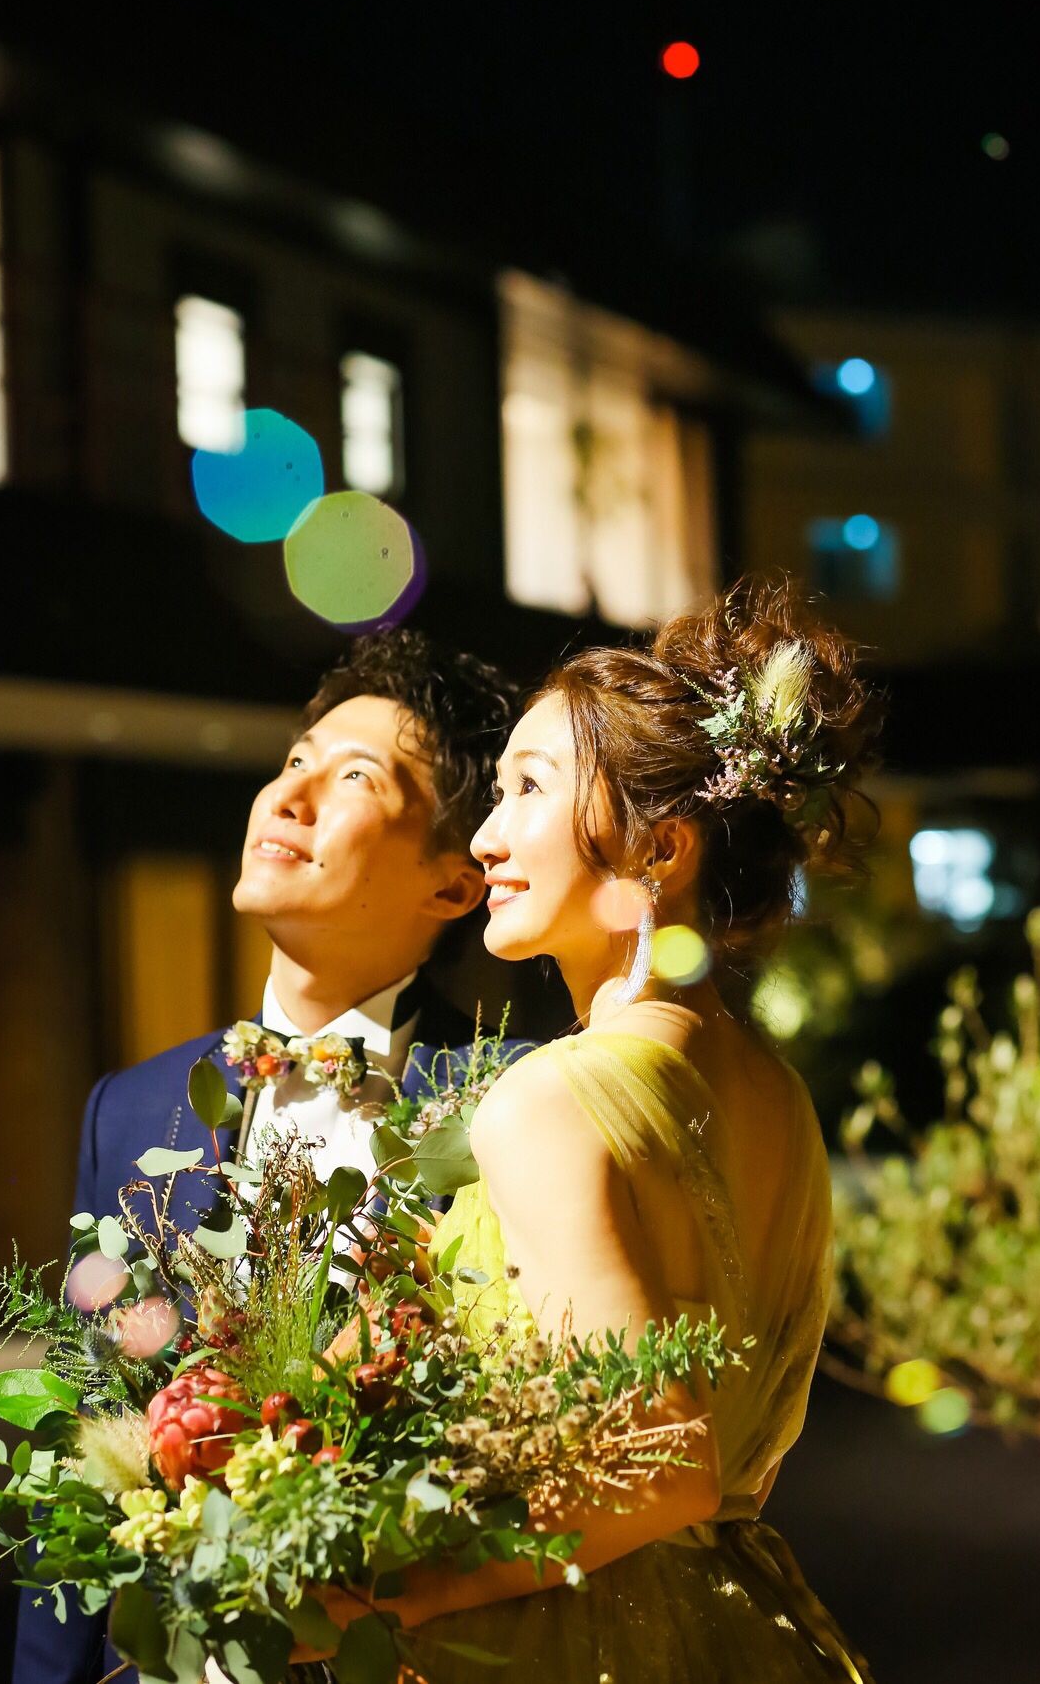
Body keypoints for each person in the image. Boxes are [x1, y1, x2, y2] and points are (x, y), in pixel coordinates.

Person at [305, 578, 881, 1681]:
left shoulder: (551, 1097)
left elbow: (658, 1463)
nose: (485, 838)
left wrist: (383, 1597)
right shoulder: (778, 1096)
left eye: (528, 787)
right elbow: (730, 1467)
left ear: (660, 848)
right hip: (739, 1625)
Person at [13, 628, 527, 1684]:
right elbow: (84, 1437)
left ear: (452, 883)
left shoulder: (512, 1102)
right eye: (293, 760)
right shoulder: (131, 1110)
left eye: (352, 777)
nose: (287, 796)